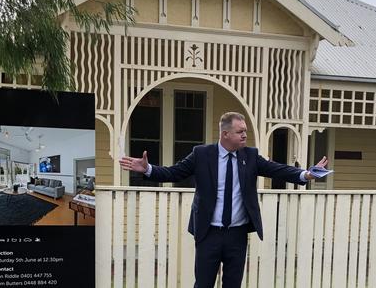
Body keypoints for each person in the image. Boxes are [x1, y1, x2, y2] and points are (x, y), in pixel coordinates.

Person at [119, 111, 328, 288]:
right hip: (208, 233)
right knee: (203, 284)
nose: (245, 135)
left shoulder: (251, 156)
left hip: (237, 235)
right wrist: (147, 169)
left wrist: (306, 174)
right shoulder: (201, 154)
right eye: (240, 132)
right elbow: (174, 172)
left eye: (245, 130)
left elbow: (277, 170)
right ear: (225, 134)